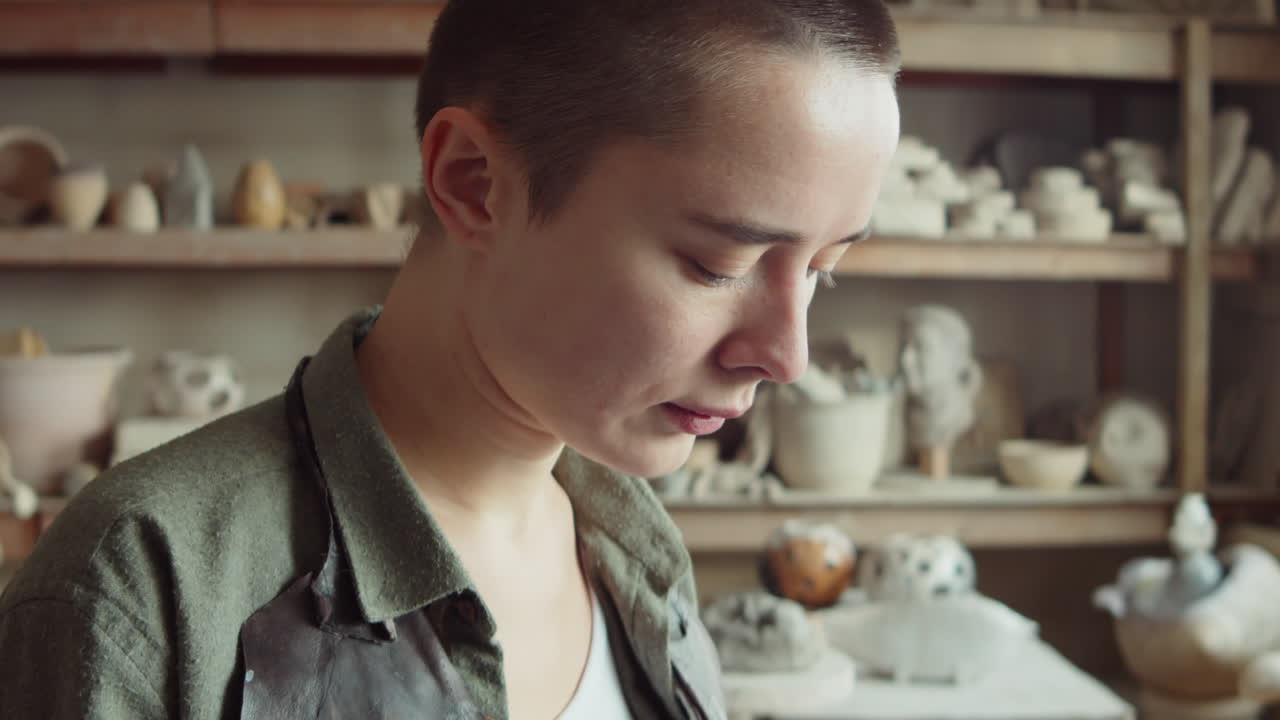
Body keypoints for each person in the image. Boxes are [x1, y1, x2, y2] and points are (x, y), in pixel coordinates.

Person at [0, 0, 901, 717]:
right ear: (474, 184)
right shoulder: (143, 589)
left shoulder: (635, 551)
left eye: (825, 270)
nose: (788, 357)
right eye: (720, 265)